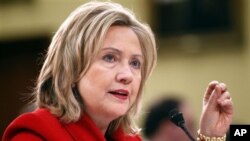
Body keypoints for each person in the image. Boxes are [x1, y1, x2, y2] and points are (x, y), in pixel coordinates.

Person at [2, 1, 233, 141]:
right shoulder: (34, 135)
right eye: (110, 57)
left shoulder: (129, 138)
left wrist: (209, 135)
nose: (127, 75)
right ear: (71, 68)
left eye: (135, 63)